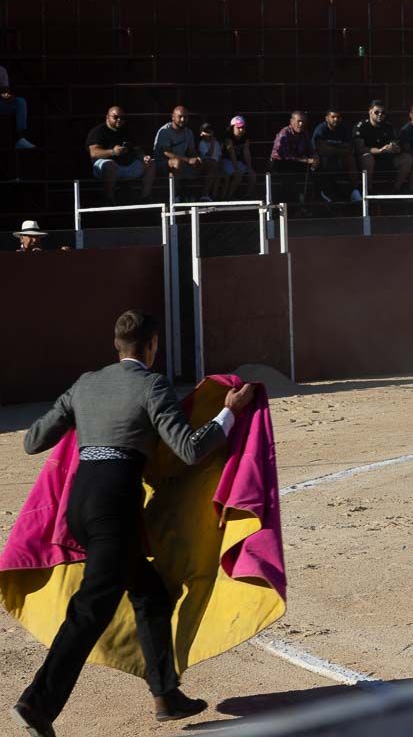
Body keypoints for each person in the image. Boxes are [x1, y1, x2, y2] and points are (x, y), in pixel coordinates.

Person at [10, 310, 255, 737]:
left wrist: (86, 421)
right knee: (90, 610)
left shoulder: (86, 384)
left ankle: (166, 694)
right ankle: (37, 703)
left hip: (80, 503)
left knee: (150, 595)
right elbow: (189, 450)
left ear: (117, 345)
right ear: (152, 345)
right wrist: (228, 414)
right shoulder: (151, 384)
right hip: (114, 508)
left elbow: (34, 441)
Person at [86, 106, 156, 204]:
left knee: (151, 163)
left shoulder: (127, 130)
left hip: (126, 167)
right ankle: (109, 200)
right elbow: (93, 153)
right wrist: (113, 152)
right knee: (110, 165)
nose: (119, 120)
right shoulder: (98, 131)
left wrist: (144, 157)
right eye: (115, 117)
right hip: (105, 168)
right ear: (107, 117)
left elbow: (137, 150)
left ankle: (145, 198)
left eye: (122, 118)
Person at [153, 106, 214, 197]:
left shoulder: (188, 132)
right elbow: (167, 153)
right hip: (163, 164)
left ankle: (204, 196)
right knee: (177, 162)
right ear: (173, 117)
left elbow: (191, 151)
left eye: (185, 117)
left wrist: (197, 158)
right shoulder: (164, 131)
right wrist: (188, 160)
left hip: (183, 162)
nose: (183, 119)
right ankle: (175, 197)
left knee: (211, 163)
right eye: (180, 116)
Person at [312, 109, 363, 203]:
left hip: (341, 159)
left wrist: (331, 148)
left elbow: (349, 148)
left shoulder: (344, 129)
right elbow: (322, 149)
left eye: (338, 117)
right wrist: (339, 148)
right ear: (326, 118)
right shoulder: (321, 129)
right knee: (322, 159)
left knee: (350, 159)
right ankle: (325, 192)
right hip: (324, 160)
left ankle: (354, 191)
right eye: (333, 117)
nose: (336, 119)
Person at [269, 111, 319, 204]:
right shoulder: (284, 134)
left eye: (303, 122)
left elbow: (310, 150)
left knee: (320, 169)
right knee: (289, 175)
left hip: (298, 163)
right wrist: (307, 160)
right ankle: (292, 205)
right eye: (299, 121)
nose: (301, 124)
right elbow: (285, 156)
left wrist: (315, 157)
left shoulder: (305, 134)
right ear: (291, 121)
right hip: (281, 163)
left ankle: (315, 201)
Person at [354, 100, 404, 192]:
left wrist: (395, 147)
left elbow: (395, 143)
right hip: (368, 158)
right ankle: (368, 191)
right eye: (376, 112)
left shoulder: (388, 126)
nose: (380, 115)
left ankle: (396, 190)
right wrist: (380, 150)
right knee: (367, 158)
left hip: (386, 158)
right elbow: (359, 149)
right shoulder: (361, 126)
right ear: (370, 111)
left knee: (407, 158)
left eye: (383, 112)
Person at [221, 116, 257, 200]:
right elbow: (231, 153)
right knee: (238, 174)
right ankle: (228, 197)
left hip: (239, 161)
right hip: (226, 161)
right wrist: (237, 168)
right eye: (238, 127)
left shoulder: (245, 136)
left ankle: (247, 196)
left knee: (252, 175)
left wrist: (249, 168)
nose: (241, 130)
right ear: (232, 127)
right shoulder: (228, 137)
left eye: (243, 127)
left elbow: (246, 152)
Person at [0, 65, 35, 149]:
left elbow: (4, 92)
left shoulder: (1, 70)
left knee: (20, 102)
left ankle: (20, 139)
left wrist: (8, 97)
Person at [196, 122, 223, 202]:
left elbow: (219, 155)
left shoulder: (217, 143)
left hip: (216, 166)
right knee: (214, 172)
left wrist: (220, 165)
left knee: (221, 175)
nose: (209, 133)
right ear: (201, 133)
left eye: (210, 131)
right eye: (206, 131)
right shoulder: (202, 143)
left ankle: (218, 197)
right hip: (206, 167)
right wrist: (213, 143)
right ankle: (206, 194)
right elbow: (208, 154)